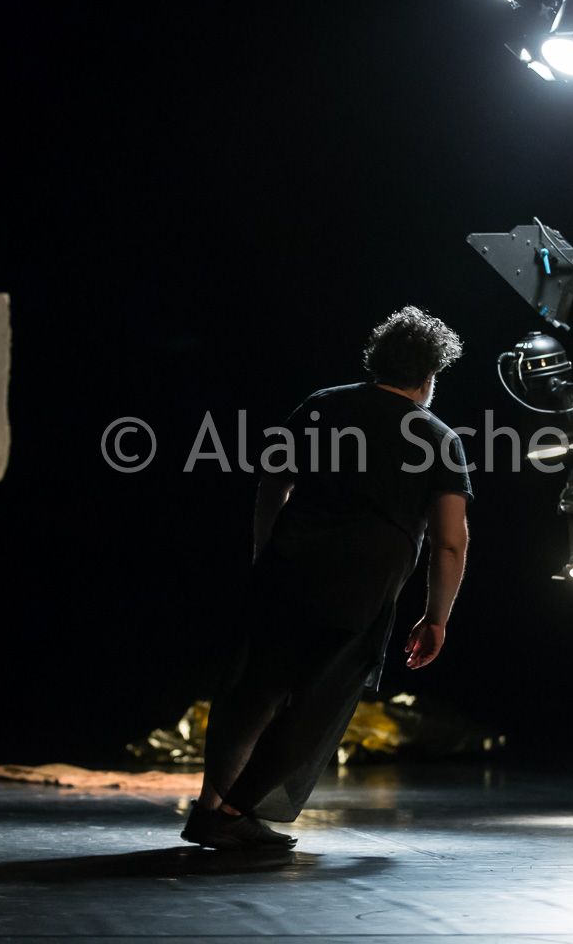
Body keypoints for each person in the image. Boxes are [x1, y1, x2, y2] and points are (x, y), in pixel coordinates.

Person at [181, 305, 472, 849]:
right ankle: (233, 814)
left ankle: (211, 808)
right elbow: (450, 542)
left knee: (253, 693)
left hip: (287, 571)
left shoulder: (322, 406)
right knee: (317, 708)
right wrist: (436, 618)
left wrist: (266, 552)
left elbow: (273, 482)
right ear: (430, 375)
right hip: (360, 591)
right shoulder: (437, 438)